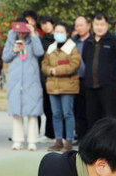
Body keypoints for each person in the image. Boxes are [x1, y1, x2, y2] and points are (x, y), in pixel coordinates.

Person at [81, 13, 116, 127]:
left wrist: (113, 74)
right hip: (91, 87)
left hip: (109, 87)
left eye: (102, 24)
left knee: (111, 119)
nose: (99, 27)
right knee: (92, 119)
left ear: (107, 25)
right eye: (97, 24)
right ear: (92, 25)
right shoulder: (88, 42)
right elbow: (85, 58)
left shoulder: (114, 41)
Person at [3, 20, 45, 151]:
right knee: (16, 113)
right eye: (19, 30)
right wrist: (14, 50)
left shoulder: (33, 39)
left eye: (23, 30)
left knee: (32, 113)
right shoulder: (11, 39)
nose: (21, 33)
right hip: (15, 82)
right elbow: (5, 57)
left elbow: (39, 52)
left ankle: (32, 141)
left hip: (31, 81)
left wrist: (33, 34)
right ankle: (17, 140)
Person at [42, 22, 81, 152]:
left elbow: (74, 64)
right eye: (57, 31)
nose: (58, 34)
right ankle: (58, 141)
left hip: (68, 86)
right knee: (56, 114)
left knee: (68, 113)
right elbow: (44, 64)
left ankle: (68, 141)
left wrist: (56, 70)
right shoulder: (51, 48)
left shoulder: (72, 47)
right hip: (53, 86)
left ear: (67, 33)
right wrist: (50, 70)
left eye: (61, 32)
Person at [38, 16, 56, 141]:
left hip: (58, 76)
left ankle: (58, 134)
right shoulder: (41, 40)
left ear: (52, 24)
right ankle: (49, 133)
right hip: (44, 78)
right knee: (47, 107)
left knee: (58, 109)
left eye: (47, 23)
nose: (45, 26)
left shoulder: (60, 39)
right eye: (42, 24)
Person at [72, 15, 91, 138]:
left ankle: (90, 136)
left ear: (88, 26)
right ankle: (80, 135)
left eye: (81, 25)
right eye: (77, 26)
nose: (79, 28)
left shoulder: (93, 40)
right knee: (78, 109)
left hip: (89, 80)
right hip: (75, 79)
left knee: (90, 109)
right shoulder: (73, 42)